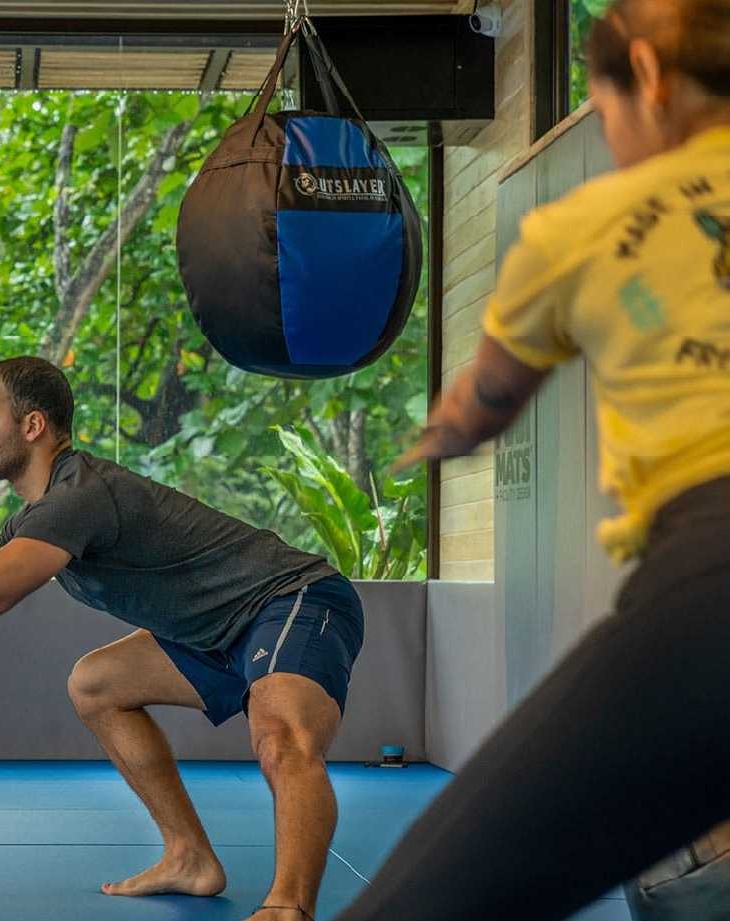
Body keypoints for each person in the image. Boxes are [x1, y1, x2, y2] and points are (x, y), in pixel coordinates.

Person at [330, 1, 730, 919]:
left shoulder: (582, 225)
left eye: (604, 108)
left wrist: (431, 440)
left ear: (647, 76)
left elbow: (483, 402)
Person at [0, 356, 364, 921]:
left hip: (292, 598)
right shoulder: (37, 515)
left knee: (282, 739)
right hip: (215, 633)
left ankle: (288, 908)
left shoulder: (76, 496)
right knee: (96, 683)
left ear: (32, 426)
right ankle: (188, 857)